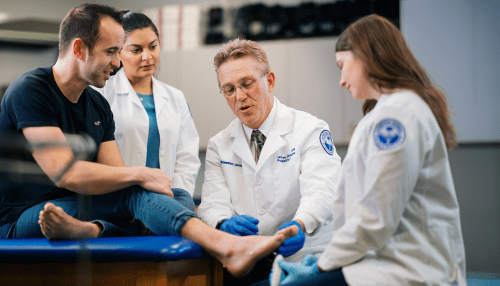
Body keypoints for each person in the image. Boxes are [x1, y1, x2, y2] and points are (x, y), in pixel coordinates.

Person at [0, 4, 298, 279]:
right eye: (111, 52)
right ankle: (227, 247)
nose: (117, 63)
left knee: (177, 199)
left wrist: (143, 183)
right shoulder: (31, 89)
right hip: (27, 217)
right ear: (79, 48)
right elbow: (64, 171)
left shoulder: (97, 106)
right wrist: (142, 173)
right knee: (140, 195)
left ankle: (90, 230)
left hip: (79, 208)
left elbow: (118, 180)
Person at [255, 14, 466, 286]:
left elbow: (374, 220)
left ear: (366, 56)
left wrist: (322, 264)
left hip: (405, 269)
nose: (341, 80)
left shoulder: (396, 118)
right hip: (383, 261)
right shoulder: (392, 111)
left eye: (342, 65)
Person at [197, 39, 342, 285]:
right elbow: (211, 204)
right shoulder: (219, 145)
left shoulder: (309, 129)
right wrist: (224, 222)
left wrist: (301, 223)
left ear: (270, 81)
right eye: (229, 89)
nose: (239, 96)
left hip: (304, 256)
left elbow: (322, 191)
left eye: (247, 84)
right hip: (249, 260)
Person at [93, 12, 200, 215]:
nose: (147, 57)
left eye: (153, 46)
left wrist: (172, 197)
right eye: (136, 50)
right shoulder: (101, 95)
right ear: (119, 53)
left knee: (184, 205)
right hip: (119, 201)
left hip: (168, 199)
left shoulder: (175, 97)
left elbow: (187, 158)